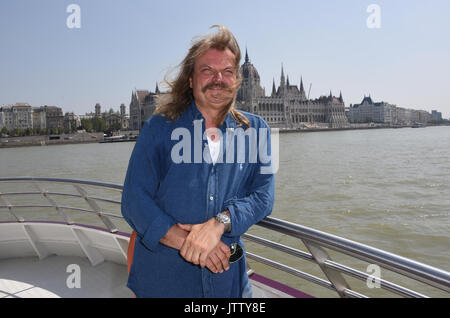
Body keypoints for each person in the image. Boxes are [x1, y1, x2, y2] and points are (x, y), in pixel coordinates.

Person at [121, 25, 275, 298]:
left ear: (237, 80)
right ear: (191, 79)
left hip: (230, 285)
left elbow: (264, 197)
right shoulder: (158, 129)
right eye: (207, 70)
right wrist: (190, 242)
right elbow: (134, 201)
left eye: (227, 72)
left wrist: (220, 223)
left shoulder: (257, 130)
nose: (218, 79)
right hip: (162, 284)